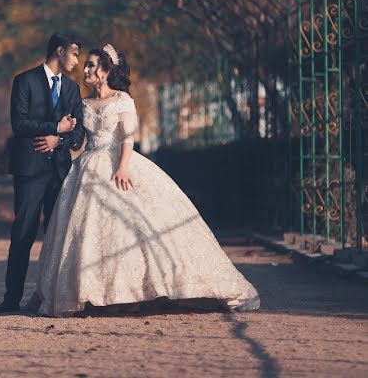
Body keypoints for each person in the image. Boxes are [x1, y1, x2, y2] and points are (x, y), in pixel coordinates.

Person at [32, 44, 260, 316]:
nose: (86, 69)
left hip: (118, 162)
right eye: (87, 64)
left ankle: (140, 292)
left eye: (92, 65)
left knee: (136, 226)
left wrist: (122, 168)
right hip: (88, 166)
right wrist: (62, 133)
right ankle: (98, 293)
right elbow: (79, 140)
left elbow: (128, 137)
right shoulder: (83, 104)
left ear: (105, 71)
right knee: (88, 232)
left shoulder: (123, 101)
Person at [0, 33, 85, 314]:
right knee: (23, 232)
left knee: (59, 236)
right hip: (30, 170)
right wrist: (56, 128)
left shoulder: (71, 89)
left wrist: (60, 140)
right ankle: (11, 299)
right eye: (74, 54)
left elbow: (78, 135)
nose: (77, 61)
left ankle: (54, 298)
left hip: (59, 172)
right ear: (59, 51)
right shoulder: (25, 81)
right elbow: (19, 124)